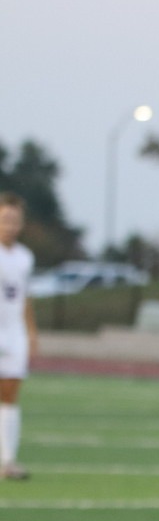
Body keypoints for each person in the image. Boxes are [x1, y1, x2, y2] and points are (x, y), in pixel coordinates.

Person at [0, 193, 37, 481]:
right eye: (5, 219)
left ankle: (7, 459)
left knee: (10, 393)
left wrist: (31, 331)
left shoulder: (25, 257)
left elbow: (25, 297)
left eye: (15, 220)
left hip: (13, 332)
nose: (10, 225)